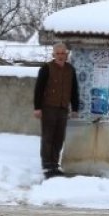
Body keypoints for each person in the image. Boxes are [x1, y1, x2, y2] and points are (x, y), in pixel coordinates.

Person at [33, 42, 80, 178]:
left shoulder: (70, 70)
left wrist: (75, 108)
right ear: (53, 54)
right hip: (48, 107)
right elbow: (39, 90)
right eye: (58, 53)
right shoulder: (46, 69)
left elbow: (74, 90)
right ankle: (47, 165)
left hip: (63, 108)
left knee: (59, 137)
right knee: (48, 137)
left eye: (63, 53)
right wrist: (37, 108)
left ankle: (54, 164)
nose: (60, 56)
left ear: (67, 54)